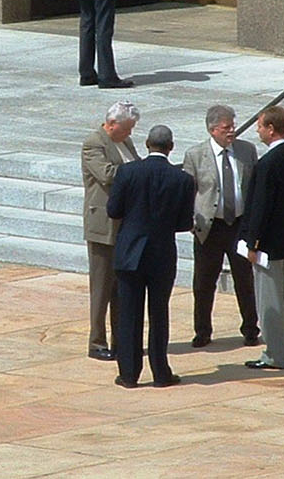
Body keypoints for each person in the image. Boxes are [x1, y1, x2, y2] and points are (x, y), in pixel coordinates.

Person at [106, 124, 195, 388]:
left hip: (130, 252)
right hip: (161, 254)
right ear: (171, 147)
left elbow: (113, 210)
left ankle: (129, 373)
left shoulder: (128, 172)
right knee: (159, 314)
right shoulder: (182, 179)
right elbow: (183, 223)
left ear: (147, 144)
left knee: (129, 314)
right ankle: (160, 372)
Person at [238, 105, 284, 370]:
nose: (258, 131)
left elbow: (260, 207)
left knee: (270, 302)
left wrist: (252, 242)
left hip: (269, 245)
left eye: (260, 126)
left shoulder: (267, 164)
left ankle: (273, 354)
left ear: (271, 129)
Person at [180, 104, 261, 348]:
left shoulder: (247, 151)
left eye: (233, 126)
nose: (231, 131)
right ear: (213, 129)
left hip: (239, 224)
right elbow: (188, 191)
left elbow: (254, 187)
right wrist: (192, 222)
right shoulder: (196, 155)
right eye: (226, 127)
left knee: (244, 280)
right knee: (204, 282)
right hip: (210, 227)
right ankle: (202, 331)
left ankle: (250, 329)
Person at [81, 100, 141, 361]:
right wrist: (140, 174)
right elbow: (108, 175)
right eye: (126, 128)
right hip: (103, 225)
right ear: (112, 124)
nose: (129, 134)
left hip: (126, 224)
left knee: (121, 287)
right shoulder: (94, 143)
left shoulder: (124, 142)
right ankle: (97, 342)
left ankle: (121, 339)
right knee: (101, 287)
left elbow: (134, 165)